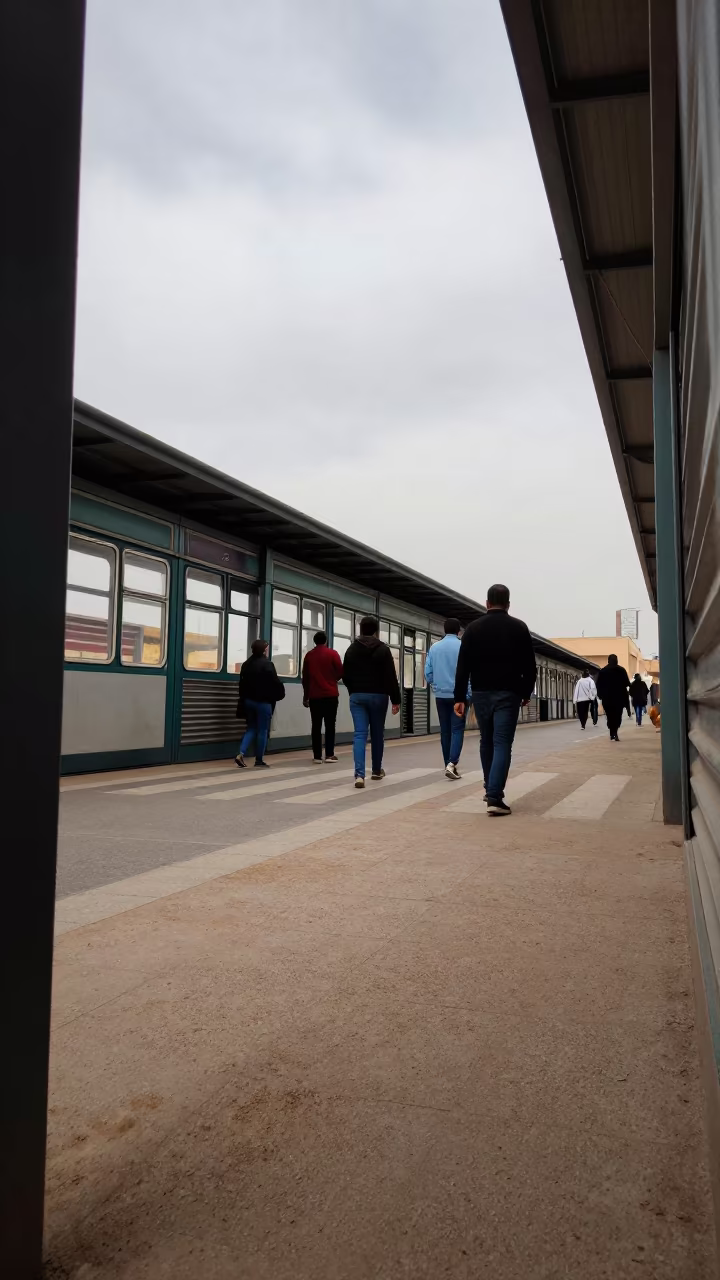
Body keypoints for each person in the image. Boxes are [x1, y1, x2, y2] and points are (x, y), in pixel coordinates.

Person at [453, 584, 537, 817]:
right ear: (508, 604)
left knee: (486, 741)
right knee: (502, 743)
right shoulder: (519, 628)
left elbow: (463, 666)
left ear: (487, 603)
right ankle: (494, 796)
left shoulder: (472, 629)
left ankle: (490, 788)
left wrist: (459, 697)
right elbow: (530, 666)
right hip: (508, 694)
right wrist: (526, 692)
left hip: (480, 693)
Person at [342, 616, 401, 789]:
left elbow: (345, 674)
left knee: (360, 734)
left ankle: (359, 775)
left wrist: (353, 690)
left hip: (358, 697)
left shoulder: (352, 649)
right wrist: (395, 699)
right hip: (378, 696)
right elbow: (391, 676)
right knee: (377, 733)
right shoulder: (383, 649)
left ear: (361, 629)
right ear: (376, 631)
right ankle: (376, 770)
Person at [425, 618, 471, 779]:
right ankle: (452, 763)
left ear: (444, 630)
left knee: (445, 731)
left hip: (441, 695)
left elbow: (428, 673)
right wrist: (468, 694)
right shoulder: (463, 646)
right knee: (457, 730)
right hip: (459, 696)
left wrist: (436, 685)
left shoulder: (434, 648)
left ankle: (448, 764)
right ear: (459, 631)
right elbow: (470, 673)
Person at [235, 638, 285, 768]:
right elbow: (275, 683)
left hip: (248, 701)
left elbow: (242, 684)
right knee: (263, 730)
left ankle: (240, 754)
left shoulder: (246, 664)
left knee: (251, 728)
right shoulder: (267, 664)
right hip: (263, 703)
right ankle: (259, 760)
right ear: (264, 649)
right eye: (267, 648)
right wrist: (279, 694)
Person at [302, 630, 343, 763]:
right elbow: (340, 672)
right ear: (326, 641)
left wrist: (305, 696)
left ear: (314, 641)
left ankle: (317, 756)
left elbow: (306, 678)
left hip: (314, 696)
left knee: (316, 725)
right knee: (330, 725)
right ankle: (330, 754)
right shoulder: (333, 653)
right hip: (331, 695)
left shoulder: (309, 656)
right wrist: (332, 680)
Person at [595, 654, 631, 742]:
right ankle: (614, 732)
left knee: (610, 715)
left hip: (607, 698)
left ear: (608, 661)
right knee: (618, 716)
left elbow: (598, 685)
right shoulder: (621, 670)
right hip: (619, 698)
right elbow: (627, 683)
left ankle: (612, 732)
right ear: (617, 661)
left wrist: (600, 695)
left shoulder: (603, 671)